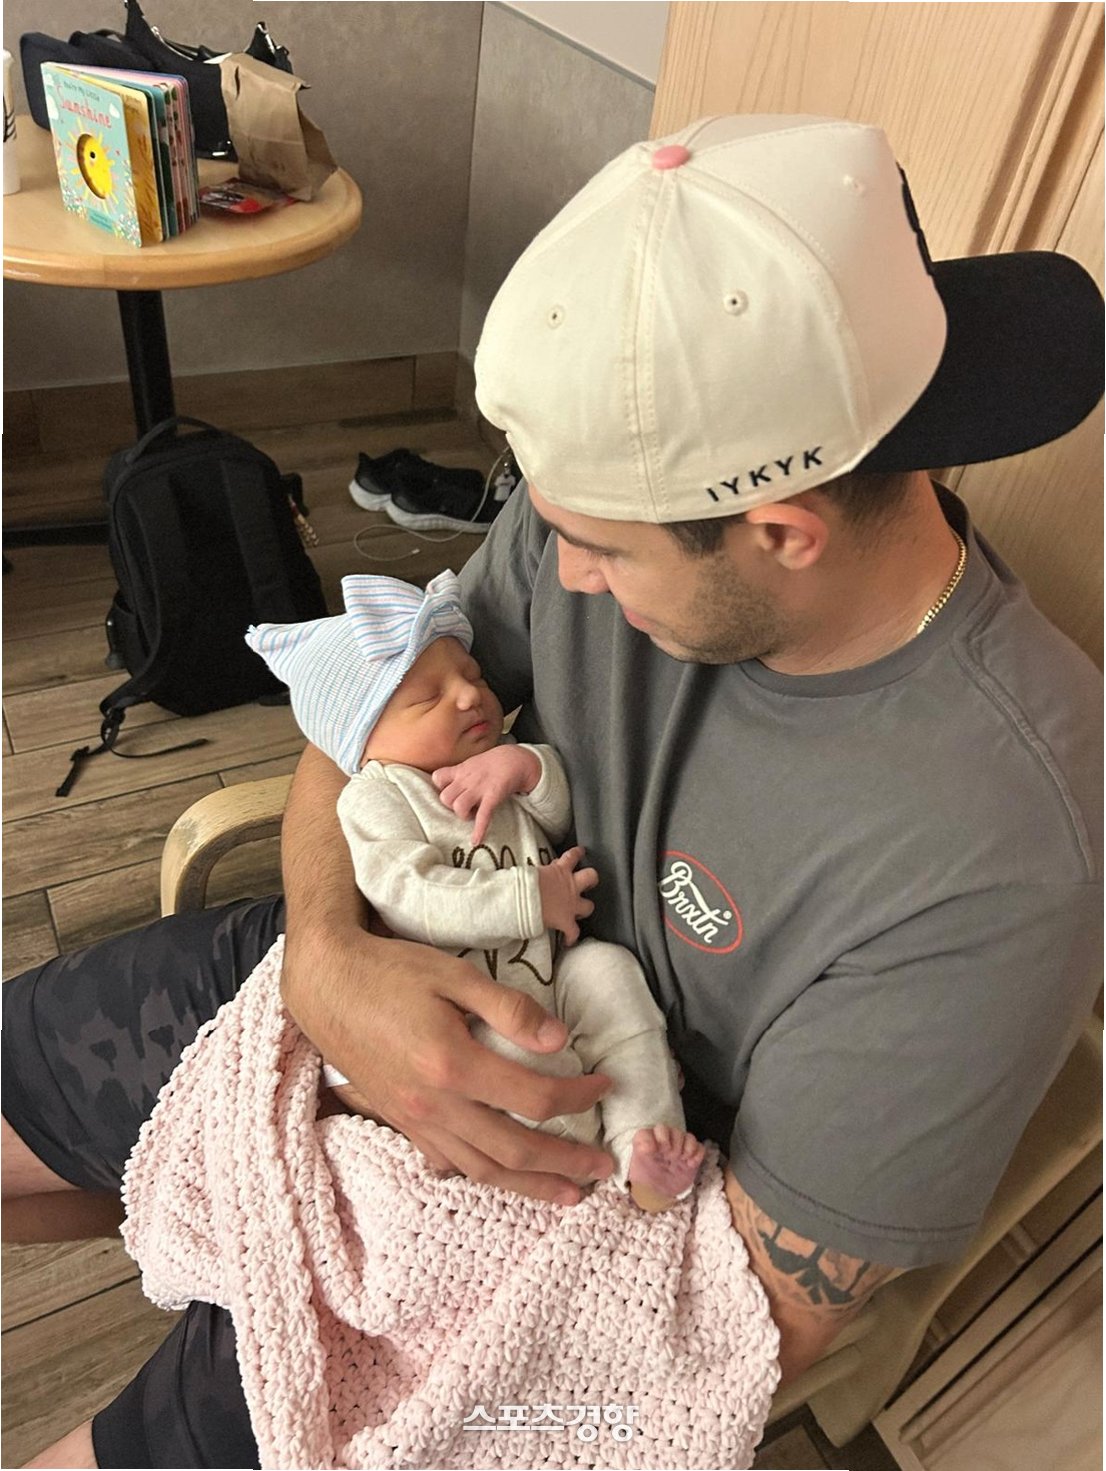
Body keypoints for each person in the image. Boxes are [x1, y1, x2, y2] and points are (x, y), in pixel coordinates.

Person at [3, 113, 1102, 1470]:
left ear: (780, 530)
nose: (556, 572)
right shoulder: (608, 499)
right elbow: (370, 721)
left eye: (598, 552)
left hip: (563, 1215)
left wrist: (408, 1156)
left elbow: (745, 1310)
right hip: (377, 956)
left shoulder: (1003, 854)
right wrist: (333, 960)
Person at [245, 570, 705, 1210]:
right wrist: (529, 899)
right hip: (466, 1000)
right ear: (363, 739)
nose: (470, 694)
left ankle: (645, 1146)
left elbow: (553, 817)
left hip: (554, 967)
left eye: (473, 675)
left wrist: (529, 768)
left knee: (611, 977)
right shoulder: (378, 797)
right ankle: (580, 1148)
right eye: (427, 697)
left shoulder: (493, 757)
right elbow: (410, 894)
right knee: (522, 1055)